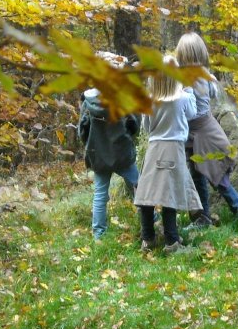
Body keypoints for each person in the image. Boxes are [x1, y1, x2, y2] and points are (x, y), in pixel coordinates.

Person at [175, 32, 238, 237]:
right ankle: (202, 218)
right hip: (191, 135)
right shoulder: (189, 76)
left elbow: (194, 103)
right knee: (196, 177)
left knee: (218, 177)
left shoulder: (200, 78)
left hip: (205, 133)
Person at [134, 55, 202, 254]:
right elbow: (192, 113)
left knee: (148, 194)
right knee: (169, 196)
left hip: (154, 148)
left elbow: (146, 127)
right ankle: (172, 241)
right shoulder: (183, 98)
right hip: (174, 148)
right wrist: (188, 88)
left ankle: (147, 239)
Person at [78, 70, 140, 241]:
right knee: (139, 187)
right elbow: (134, 125)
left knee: (100, 194)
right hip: (122, 154)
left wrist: (91, 145)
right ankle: (150, 221)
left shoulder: (87, 102)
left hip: (99, 156)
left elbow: (82, 132)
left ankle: (98, 235)